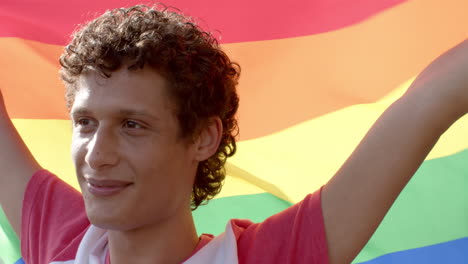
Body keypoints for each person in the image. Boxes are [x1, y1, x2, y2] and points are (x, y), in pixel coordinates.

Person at [0, 4, 466, 264]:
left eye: (132, 125)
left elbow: (428, 102)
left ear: (203, 137)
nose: (97, 156)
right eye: (85, 122)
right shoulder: (64, 242)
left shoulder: (266, 259)